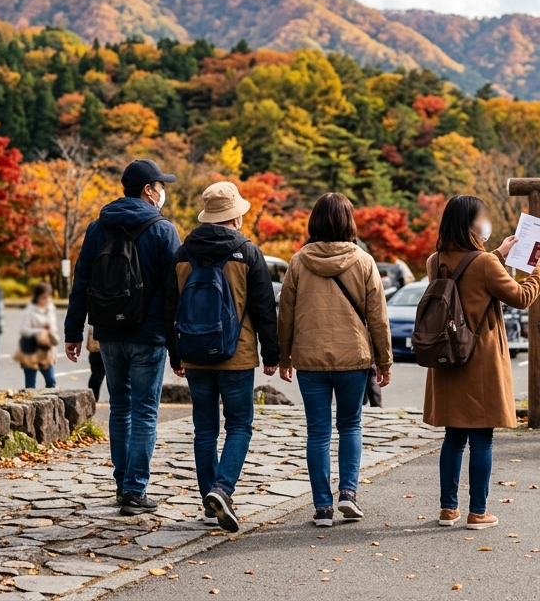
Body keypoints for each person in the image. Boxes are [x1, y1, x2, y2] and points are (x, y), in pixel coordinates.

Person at [64, 159, 182, 517]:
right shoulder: (164, 231)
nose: (163, 191)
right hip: (149, 335)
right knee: (145, 411)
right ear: (148, 190)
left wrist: (74, 332)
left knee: (120, 408)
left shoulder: (97, 227)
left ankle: (121, 483)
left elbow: (81, 283)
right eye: (160, 185)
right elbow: (173, 293)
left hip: (109, 334)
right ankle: (135, 490)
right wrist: (177, 348)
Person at [425, 195, 540, 530]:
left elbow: (467, 281)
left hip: (448, 357)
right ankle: (478, 512)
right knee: (481, 437)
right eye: (482, 217)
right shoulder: (485, 264)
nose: (486, 222)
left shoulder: (435, 260)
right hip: (479, 361)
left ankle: (447, 509)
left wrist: (497, 254)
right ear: (470, 224)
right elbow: (521, 297)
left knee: (453, 436)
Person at [164, 181, 280, 533]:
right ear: (235, 218)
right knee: (240, 425)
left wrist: (176, 354)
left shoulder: (183, 253)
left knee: (204, 429)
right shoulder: (248, 252)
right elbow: (263, 309)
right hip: (237, 355)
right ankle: (222, 489)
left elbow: (171, 308)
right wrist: (271, 353)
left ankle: (208, 502)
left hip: (195, 354)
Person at [277, 193, 392, 527]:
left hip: (310, 359)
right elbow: (378, 317)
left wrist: (284, 356)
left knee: (317, 432)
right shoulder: (363, 261)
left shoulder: (299, 261)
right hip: (353, 358)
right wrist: (384, 361)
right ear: (348, 222)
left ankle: (323, 508)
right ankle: (348, 495)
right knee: (350, 425)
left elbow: (285, 315)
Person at [15, 282, 59, 389]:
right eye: (43, 297)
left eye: (49, 296)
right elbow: (23, 329)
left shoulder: (50, 309)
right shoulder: (30, 311)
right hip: (31, 348)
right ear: (37, 297)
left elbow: (53, 330)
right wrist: (40, 331)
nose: (47, 300)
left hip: (46, 349)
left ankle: (51, 403)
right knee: (30, 384)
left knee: (51, 381)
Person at [86, 326, 105, 401]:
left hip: (98, 348)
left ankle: (92, 398)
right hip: (97, 350)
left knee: (96, 376)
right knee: (96, 376)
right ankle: (93, 398)